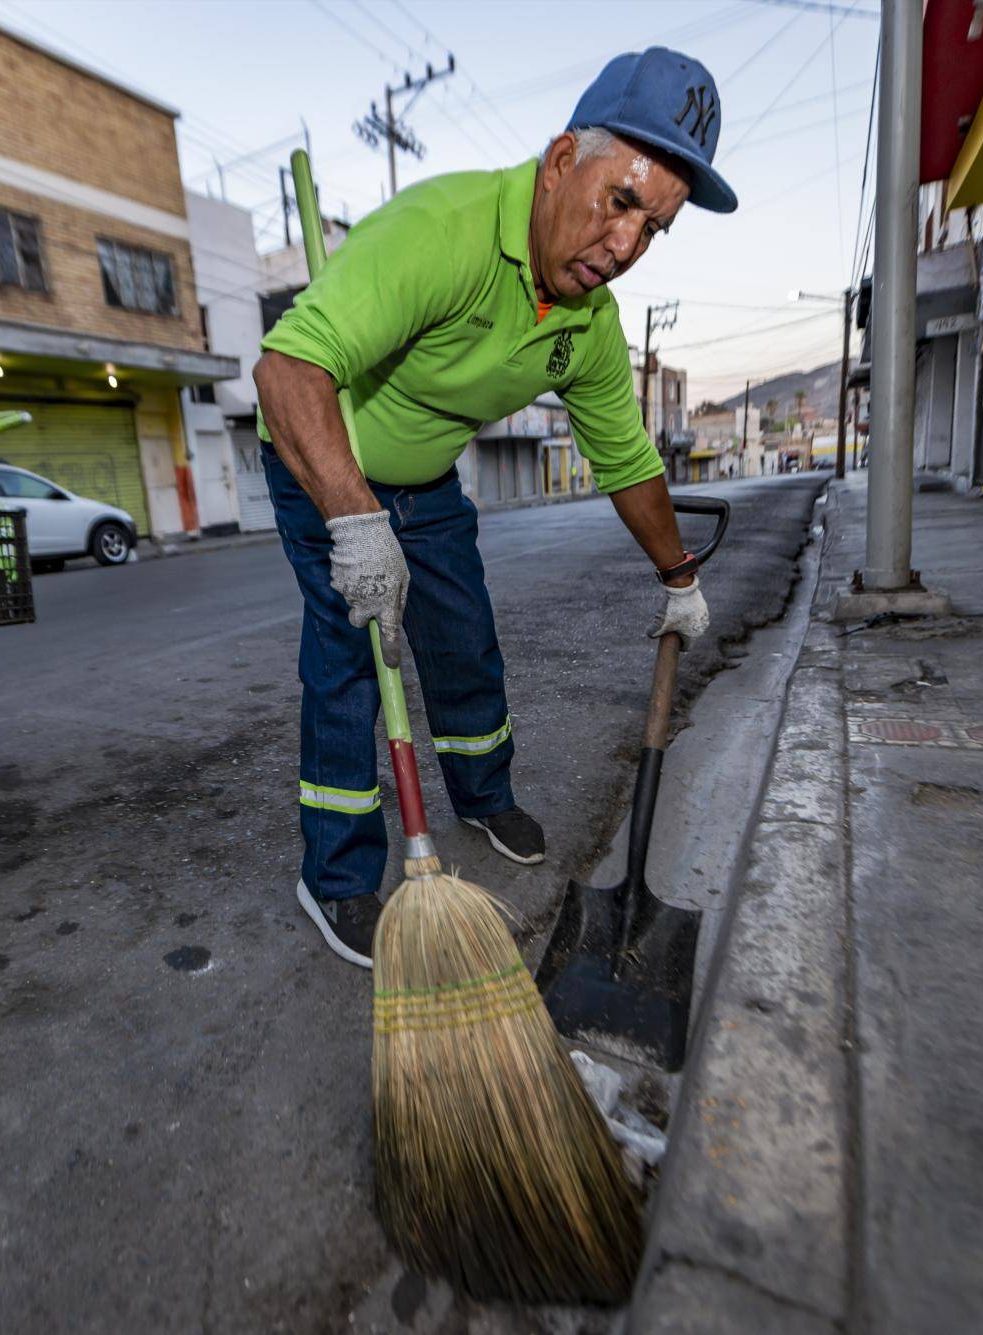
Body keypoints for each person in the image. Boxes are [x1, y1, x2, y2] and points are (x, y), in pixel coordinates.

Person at [253, 47, 737, 967]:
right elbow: (288, 367)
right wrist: (353, 519)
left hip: (426, 479)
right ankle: (339, 876)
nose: (627, 246)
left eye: (655, 229)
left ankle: (482, 795)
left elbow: (627, 460)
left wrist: (679, 576)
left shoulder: (588, 324)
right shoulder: (445, 229)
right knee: (355, 653)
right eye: (621, 202)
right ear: (563, 162)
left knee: (462, 635)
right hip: (324, 463)